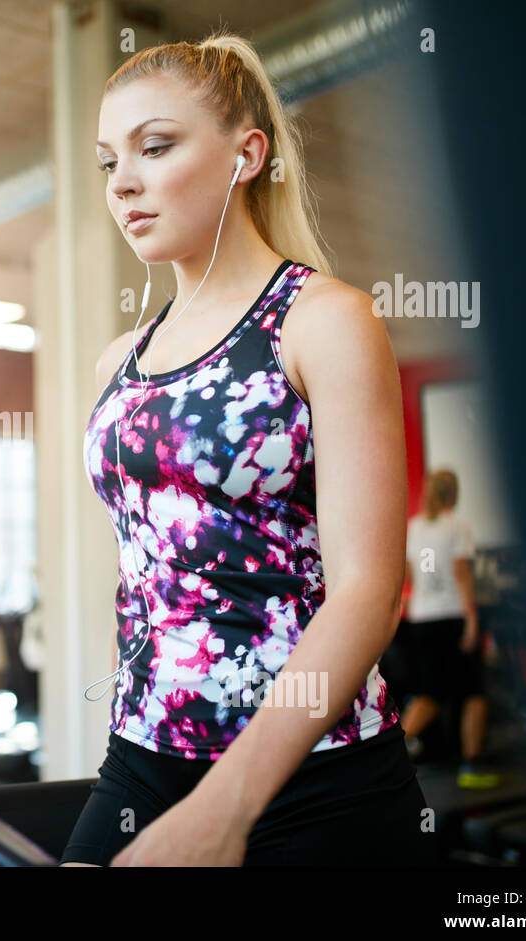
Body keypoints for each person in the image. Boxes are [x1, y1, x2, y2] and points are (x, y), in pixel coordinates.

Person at [62, 29, 433, 866]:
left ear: (246, 154)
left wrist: (228, 808)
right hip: (144, 754)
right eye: (107, 161)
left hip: (314, 775)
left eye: (155, 148)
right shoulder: (116, 362)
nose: (123, 183)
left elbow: (369, 593)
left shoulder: (324, 321)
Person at [399, 469, 500, 789]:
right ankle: (471, 766)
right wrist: (472, 618)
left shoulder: (415, 527)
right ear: (453, 493)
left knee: (430, 694)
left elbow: (410, 576)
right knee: (474, 692)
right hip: (452, 617)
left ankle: (390, 756)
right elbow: (462, 574)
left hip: (421, 619)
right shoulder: (457, 525)